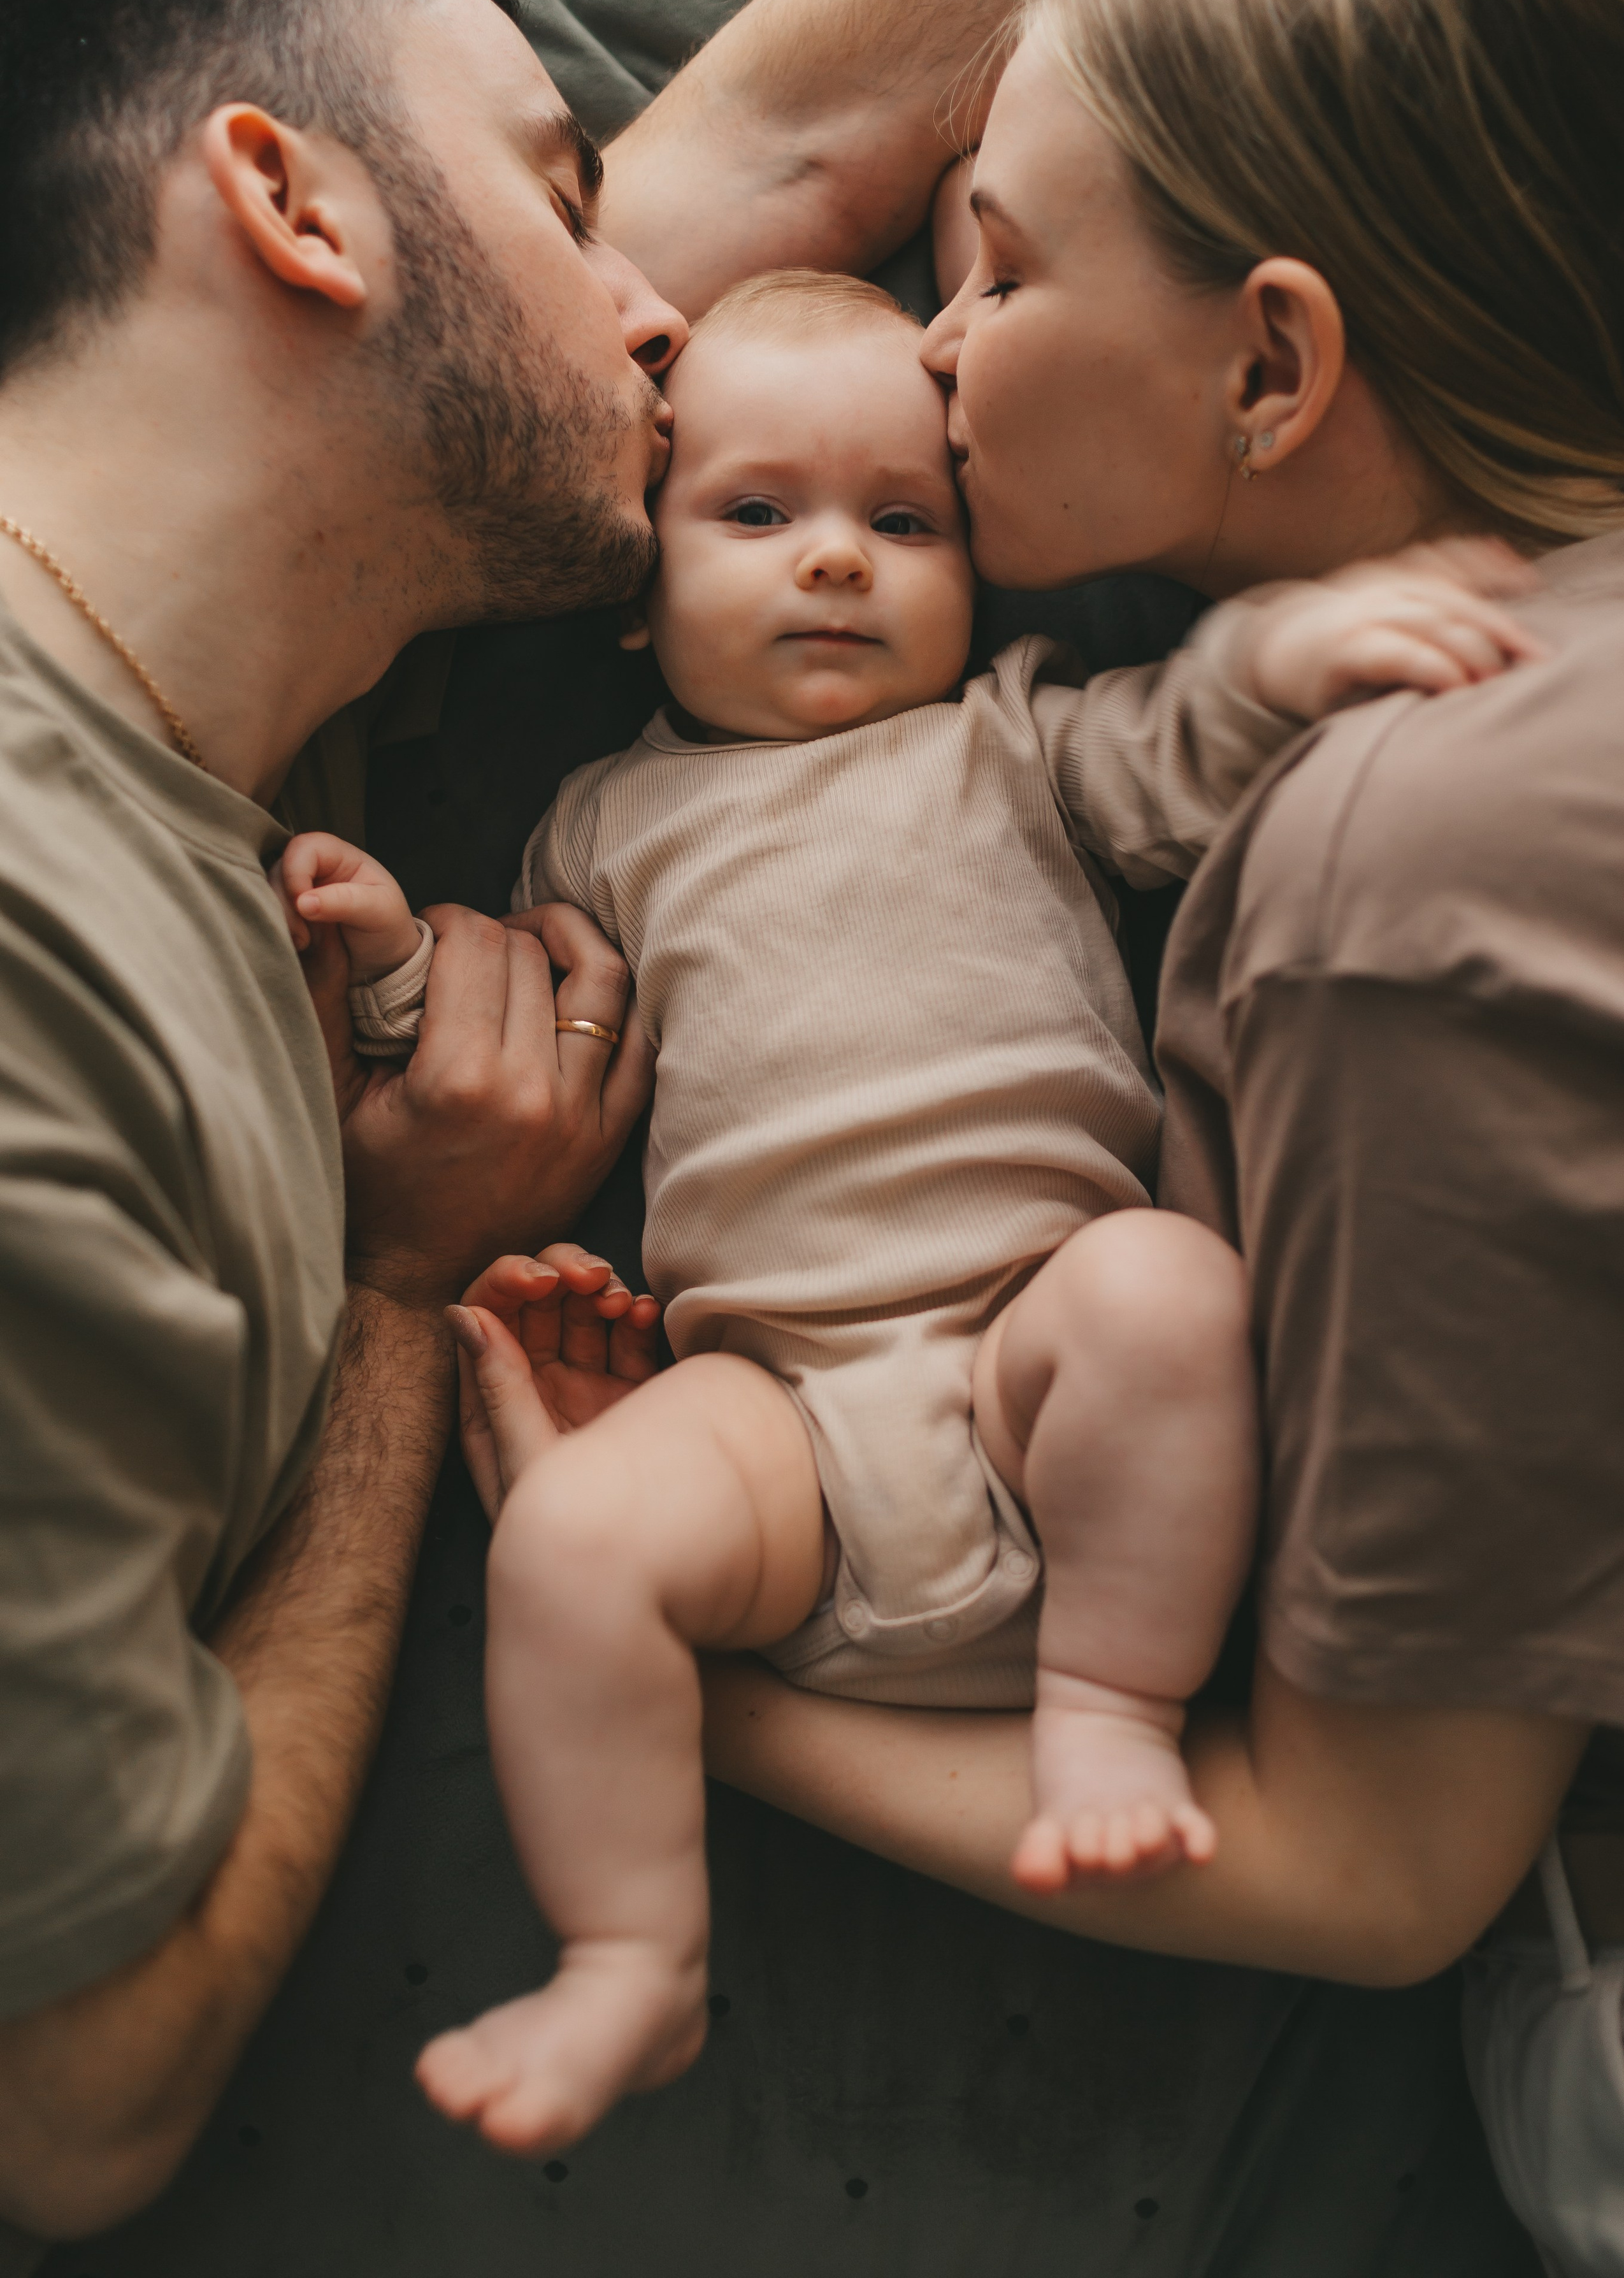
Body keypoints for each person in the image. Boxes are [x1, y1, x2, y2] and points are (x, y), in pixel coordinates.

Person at [622, 0, 1624, 2268]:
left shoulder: (1411, 875)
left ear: (1271, 366)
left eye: (994, 264)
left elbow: (1380, 1873)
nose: (931, 349)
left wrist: (699, 1692)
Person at [282, 265, 1535, 2155]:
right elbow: (513, 1028)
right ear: (639, 594)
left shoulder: (1012, 736)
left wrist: (1289, 662)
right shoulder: (599, 829)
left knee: (1167, 1290)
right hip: (780, 1412)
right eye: (761, 515)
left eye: (903, 519)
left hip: (1045, 1384)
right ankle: (631, 1950)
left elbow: (1178, 754)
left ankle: (1106, 1717)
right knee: (565, 1544)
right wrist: (385, 953)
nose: (839, 565)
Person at [0, 0, 689, 2260]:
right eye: (565, 190)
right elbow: (70, 2102)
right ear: (288, 202)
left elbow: (802, 139)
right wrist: (404, 1299)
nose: (664, 304)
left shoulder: (216, 742)